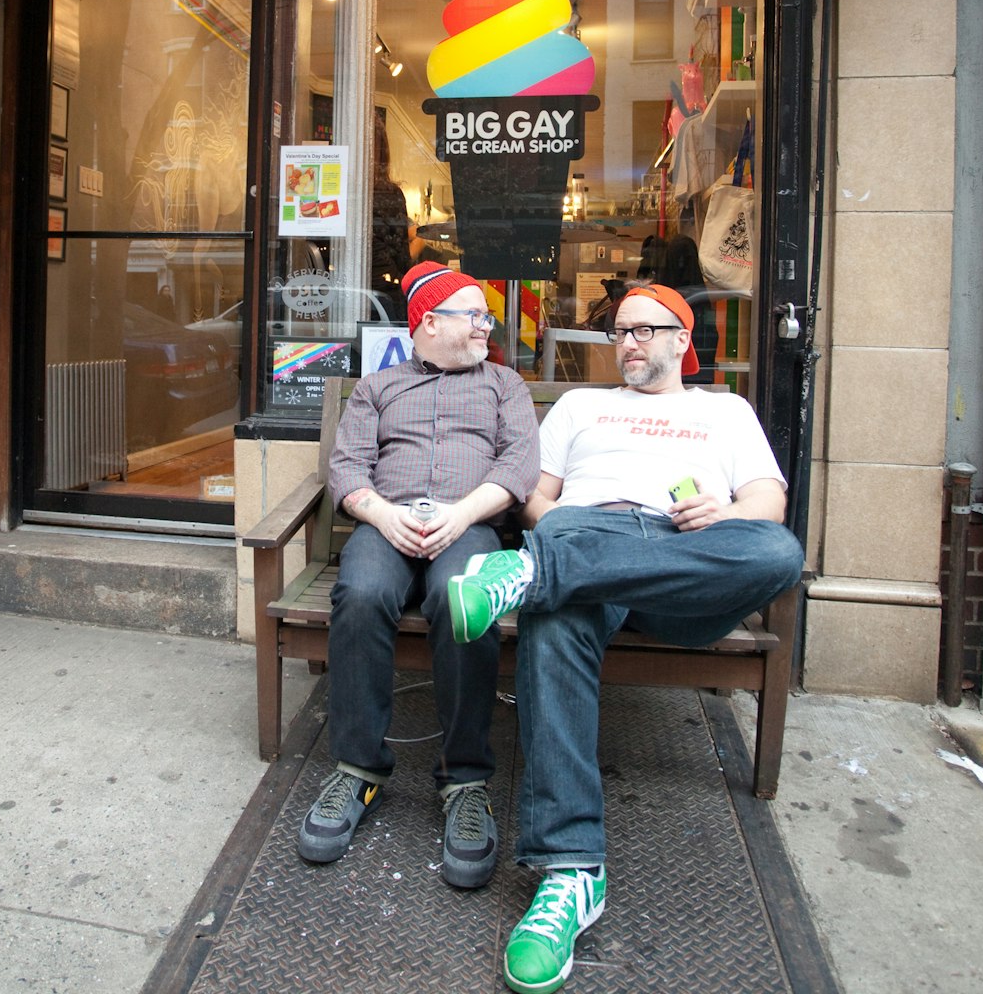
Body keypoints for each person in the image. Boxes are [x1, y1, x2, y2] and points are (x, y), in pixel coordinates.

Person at [446, 282, 804, 994]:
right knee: (558, 617)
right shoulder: (582, 406)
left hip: (684, 560)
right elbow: (534, 496)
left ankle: (530, 576)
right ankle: (570, 872)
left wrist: (727, 508)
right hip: (589, 539)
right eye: (619, 333)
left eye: (645, 331)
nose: (629, 343)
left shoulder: (724, 410)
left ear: (682, 339)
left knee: (776, 553)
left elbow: (769, 505)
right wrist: (570, 528)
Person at [301, 261, 541, 889]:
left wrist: (462, 515)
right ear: (430, 323)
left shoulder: (505, 386)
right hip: (387, 525)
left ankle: (464, 779)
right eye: (476, 315)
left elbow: (519, 466)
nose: (487, 326)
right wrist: (382, 514)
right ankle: (357, 770)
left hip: (470, 525)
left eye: (486, 316)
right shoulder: (377, 389)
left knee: (464, 600)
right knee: (362, 592)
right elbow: (347, 467)